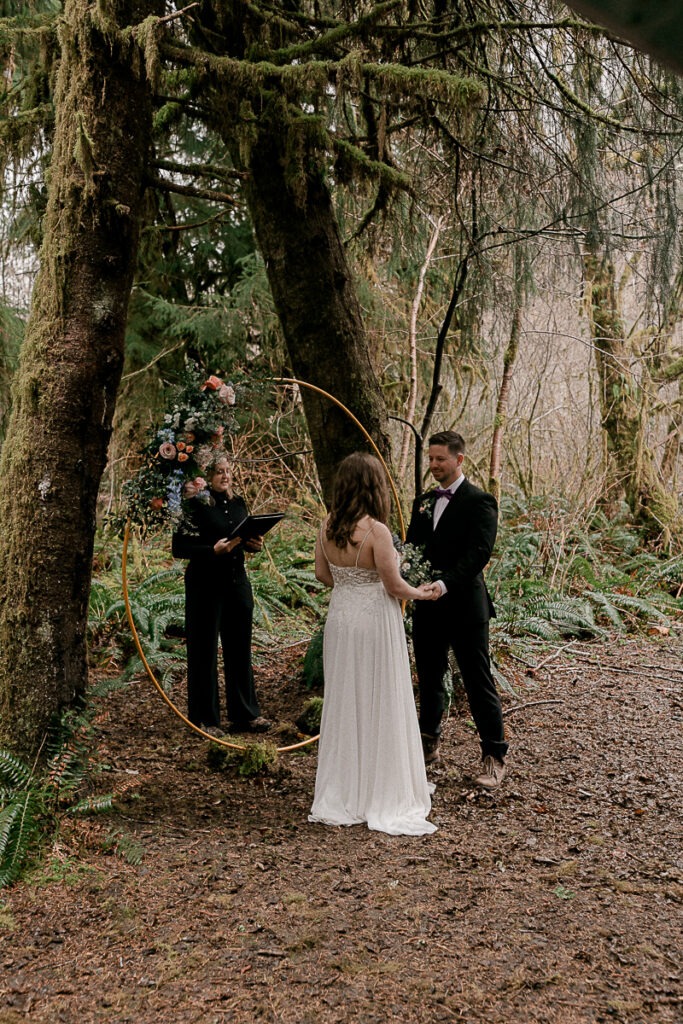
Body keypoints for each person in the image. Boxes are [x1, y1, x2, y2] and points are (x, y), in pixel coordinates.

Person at [309, 452, 439, 836]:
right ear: (373, 486)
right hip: (374, 621)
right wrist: (424, 593)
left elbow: (322, 574)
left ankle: (345, 788)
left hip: (342, 617)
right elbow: (393, 585)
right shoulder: (377, 531)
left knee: (347, 698)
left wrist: (350, 585)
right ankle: (382, 790)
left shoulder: (327, 525)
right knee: (380, 696)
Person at [406, 430, 508, 789]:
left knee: (478, 681)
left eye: (440, 459)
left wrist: (445, 583)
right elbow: (412, 550)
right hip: (427, 607)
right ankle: (427, 745)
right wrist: (408, 580)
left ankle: (494, 757)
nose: (433, 465)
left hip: (466, 607)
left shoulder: (481, 501)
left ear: (459, 459)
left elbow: (479, 553)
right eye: (430, 459)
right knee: (430, 679)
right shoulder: (422, 502)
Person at [172, 454, 271, 738]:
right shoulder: (192, 507)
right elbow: (179, 548)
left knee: (239, 649)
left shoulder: (238, 503)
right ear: (206, 475)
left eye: (228, 471)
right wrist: (210, 551)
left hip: (237, 582)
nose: (225, 476)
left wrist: (255, 543)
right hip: (205, 585)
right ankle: (205, 719)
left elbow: (244, 539)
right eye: (218, 471)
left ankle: (245, 714)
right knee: (203, 651)